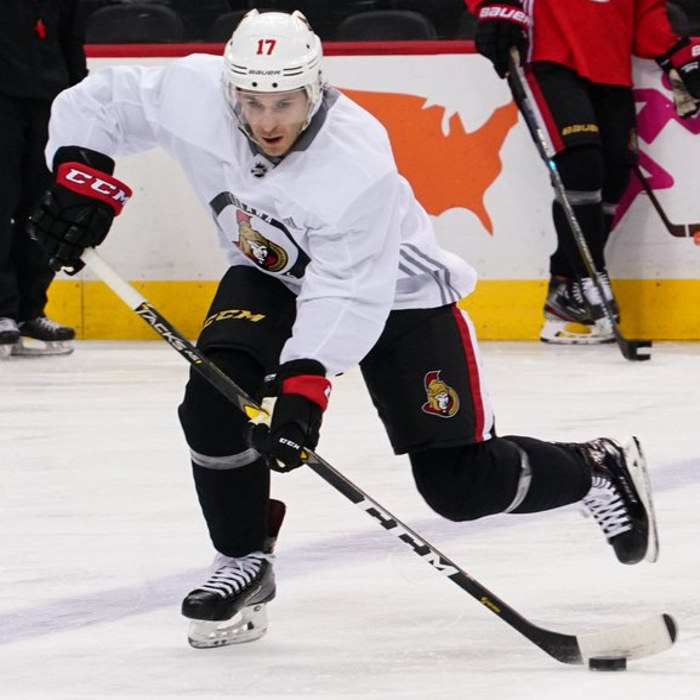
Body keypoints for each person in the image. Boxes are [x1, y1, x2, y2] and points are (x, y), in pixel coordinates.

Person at [28, 9, 658, 649]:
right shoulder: (195, 92)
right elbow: (101, 102)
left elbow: (348, 289)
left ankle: (595, 468)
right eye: (252, 102)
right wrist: (82, 177)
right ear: (230, 89)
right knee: (212, 404)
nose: (267, 121)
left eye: (284, 102)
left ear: (315, 88)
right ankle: (244, 558)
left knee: (460, 487)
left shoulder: (353, 160)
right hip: (268, 275)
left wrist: (305, 384)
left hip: (398, 295)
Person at [467, 0, 700, 344]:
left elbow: (644, 10)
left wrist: (676, 52)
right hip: (547, 56)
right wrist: (494, 5)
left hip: (610, 63)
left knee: (616, 173)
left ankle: (566, 290)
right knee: (580, 165)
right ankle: (592, 283)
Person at [0, 0, 87, 359]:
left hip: (49, 101)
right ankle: (3, 310)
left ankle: (30, 311)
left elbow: (71, 39)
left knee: (42, 210)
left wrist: (79, 96)